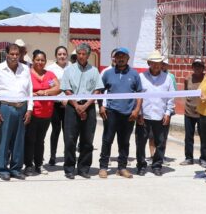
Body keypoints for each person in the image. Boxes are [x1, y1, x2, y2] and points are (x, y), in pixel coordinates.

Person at [0, 43, 33, 181]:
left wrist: (30, 109)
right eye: (12, 54)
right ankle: (2, 169)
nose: (14, 57)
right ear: (6, 54)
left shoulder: (25, 69)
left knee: (19, 140)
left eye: (17, 54)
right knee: (5, 139)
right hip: (5, 107)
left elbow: (30, 90)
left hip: (22, 107)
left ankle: (16, 168)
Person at [98, 47, 142, 179]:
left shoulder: (134, 75)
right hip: (111, 112)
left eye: (123, 56)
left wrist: (137, 110)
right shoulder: (108, 73)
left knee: (124, 141)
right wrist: (101, 106)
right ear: (114, 59)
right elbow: (100, 91)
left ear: (128, 58)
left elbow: (139, 94)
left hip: (128, 114)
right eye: (118, 56)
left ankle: (122, 167)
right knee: (107, 140)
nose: (121, 58)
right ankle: (103, 167)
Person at [62, 43, 102, 179]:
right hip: (72, 107)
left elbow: (97, 90)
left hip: (89, 107)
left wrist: (85, 106)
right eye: (79, 53)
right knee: (70, 139)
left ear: (88, 55)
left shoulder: (94, 71)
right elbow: (67, 89)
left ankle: (84, 168)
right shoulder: (68, 70)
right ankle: (69, 168)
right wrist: (77, 106)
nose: (81, 56)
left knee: (87, 139)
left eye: (84, 54)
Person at [135, 51, 175, 176]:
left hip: (160, 116)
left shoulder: (167, 78)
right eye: (154, 63)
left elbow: (171, 98)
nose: (157, 65)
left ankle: (157, 165)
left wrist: (168, 113)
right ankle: (141, 165)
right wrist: (139, 113)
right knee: (140, 142)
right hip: (144, 116)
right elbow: (137, 96)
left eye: (159, 63)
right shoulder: (141, 77)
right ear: (149, 63)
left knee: (161, 142)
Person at [24, 50, 60, 176]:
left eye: (42, 60)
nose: (40, 62)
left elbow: (57, 88)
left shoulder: (50, 74)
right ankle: (28, 165)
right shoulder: (27, 74)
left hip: (46, 113)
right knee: (30, 139)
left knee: (40, 140)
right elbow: (22, 89)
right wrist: (33, 94)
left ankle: (39, 164)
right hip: (32, 112)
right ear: (33, 60)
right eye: (37, 60)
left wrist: (45, 93)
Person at [46, 45, 69, 165]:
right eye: (59, 54)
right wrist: (60, 95)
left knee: (68, 131)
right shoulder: (50, 69)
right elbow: (50, 84)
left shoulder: (71, 67)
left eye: (64, 54)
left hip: (69, 104)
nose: (62, 56)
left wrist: (67, 99)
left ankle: (67, 155)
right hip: (55, 104)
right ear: (56, 56)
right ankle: (53, 156)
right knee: (55, 130)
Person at [182, 58, 206, 166]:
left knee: (204, 137)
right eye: (195, 66)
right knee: (188, 137)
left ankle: (204, 158)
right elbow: (185, 93)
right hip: (189, 112)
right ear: (192, 67)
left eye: (199, 66)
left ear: (203, 68)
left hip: (202, 113)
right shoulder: (188, 79)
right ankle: (188, 158)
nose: (197, 68)